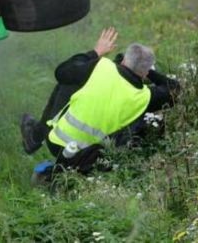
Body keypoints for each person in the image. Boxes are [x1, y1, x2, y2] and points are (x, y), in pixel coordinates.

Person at [20, 28, 180, 174]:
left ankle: (35, 136)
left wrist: (96, 52)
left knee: (69, 79)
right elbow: (175, 89)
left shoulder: (100, 67)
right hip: (89, 157)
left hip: (55, 142)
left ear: (123, 61)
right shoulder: (145, 97)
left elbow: (61, 72)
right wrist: (149, 73)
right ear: (144, 73)